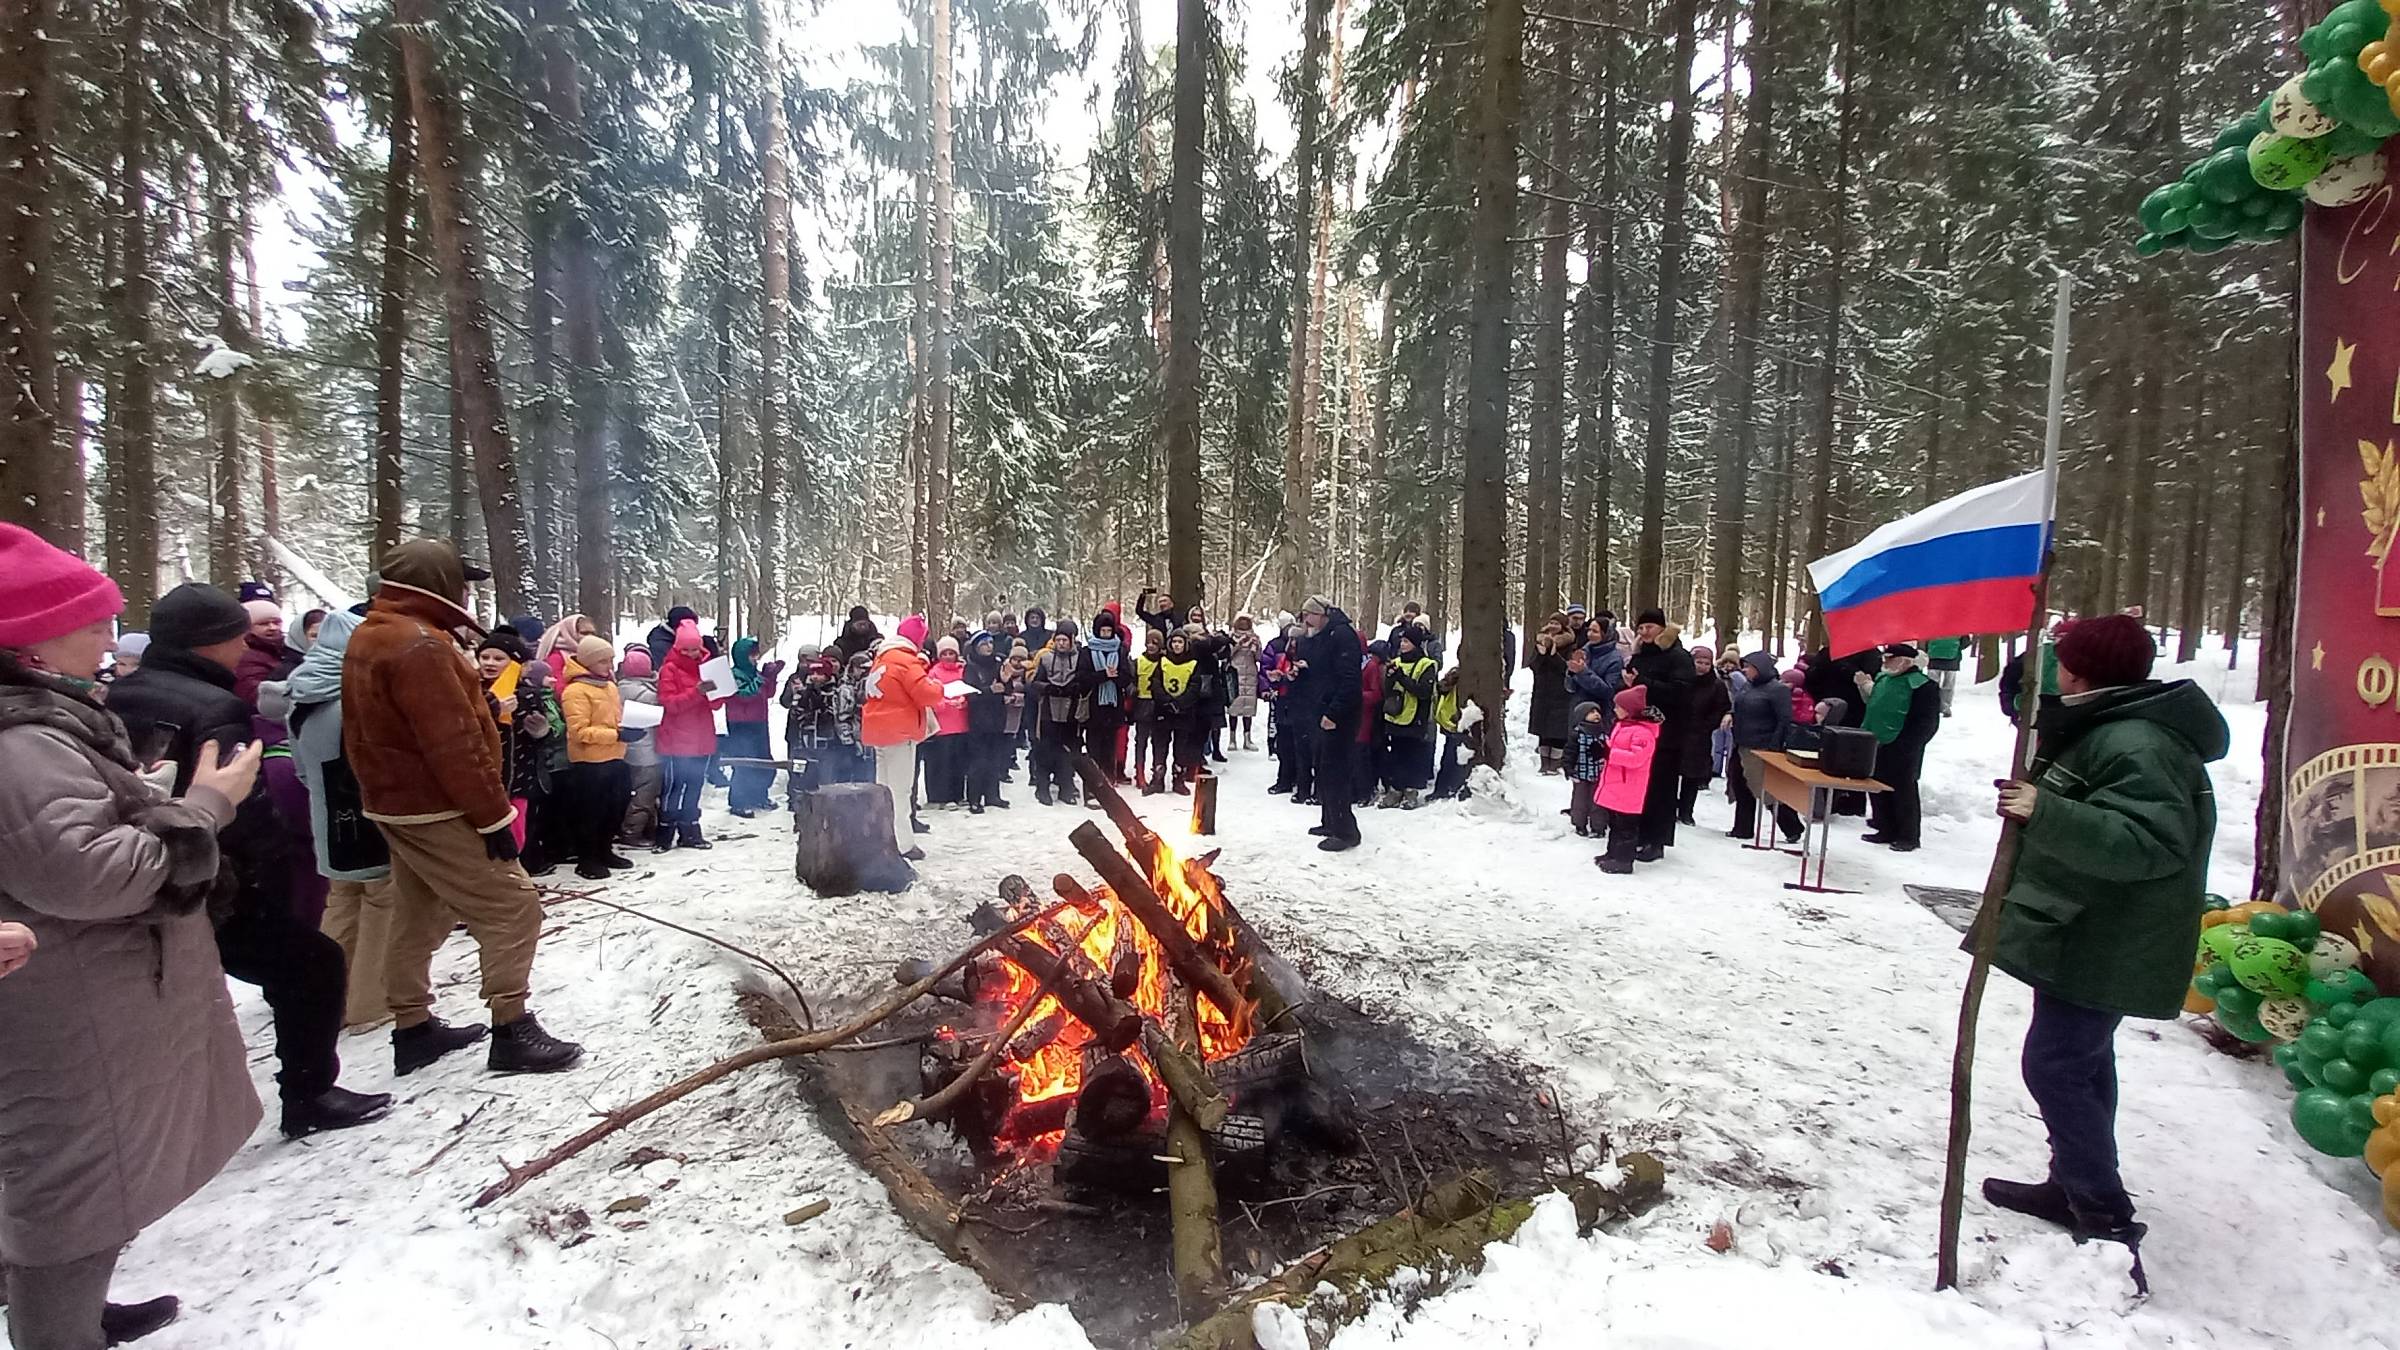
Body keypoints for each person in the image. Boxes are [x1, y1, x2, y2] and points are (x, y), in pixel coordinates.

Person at [0, 525, 264, 1350]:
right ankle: (58, 1330)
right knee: (72, 1192)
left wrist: (141, 795)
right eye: (90, 622)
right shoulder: (22, 741)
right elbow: (86, 872)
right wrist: (206, 807)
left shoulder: (55, 722)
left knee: (91, 1183)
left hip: (86, 992)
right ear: (31, 642)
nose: (110, 639)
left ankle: (76, 1313)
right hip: (70, 1006)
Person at [1983, 614, 2230, 1284]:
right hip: (2084, 926)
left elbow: (2150, 843)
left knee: (2055, 1066)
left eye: (2062, 661)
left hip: (2109, 936)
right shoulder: (2112, 724)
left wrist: (2046, 809)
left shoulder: (2138, 741)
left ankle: (2102, 1209)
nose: (2057, 671)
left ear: (2082, 670)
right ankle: (2071, 1184)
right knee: (2084, 1065)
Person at [109, 583, 393, 1139]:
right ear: (209, 641)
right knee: (311, 964)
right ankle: (309, 1093)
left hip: (146, 867)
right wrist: (269, 860)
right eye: (236, 635)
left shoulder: (122, 696)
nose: (243, 646)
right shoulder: (213, 707)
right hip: (214, 871)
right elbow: (239, 796)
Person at [344, 538, 584, 1075]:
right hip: (437, 804)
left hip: (394, 801)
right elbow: (453, 744)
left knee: (419, 909)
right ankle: (512, 1027)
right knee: (513, 906)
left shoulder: (376, 632)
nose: (467, 594)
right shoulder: (421, 645)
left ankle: (413, 1027)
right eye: (461, 582)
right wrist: (493, 817)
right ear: (435, 585)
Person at [287, 608, 398, 1030]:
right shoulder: (353, 695)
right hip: (361, 813)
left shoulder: (302, 693)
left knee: (341, 901)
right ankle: (370, 1002)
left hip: (323, 813)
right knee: (380, 902)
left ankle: (330, 998)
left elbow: (300, 765)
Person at [560, 637, 639, 881]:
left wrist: (632, 727)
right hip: (589, 763)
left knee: (615, 808)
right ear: (588, 662)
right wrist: (617, 734)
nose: (609, 665)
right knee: (590, 813)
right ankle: (587, 859)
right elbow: (579, 732)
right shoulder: (575, 691)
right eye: (603, 661)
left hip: (616, 756)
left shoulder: (609, 686)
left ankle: (605, 851)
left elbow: (614, 719)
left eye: (611, 660)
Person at [864, 615, 943, 858]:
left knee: (883, 789)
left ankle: (881, 838)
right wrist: (937, 684)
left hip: (877, 729)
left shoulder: (884, 656)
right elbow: (927, 694)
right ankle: (904, 844)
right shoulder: (906, 660)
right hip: (899, 731)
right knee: (900, 791)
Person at [1626, 610, 1698, 859]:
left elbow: (1682, 692)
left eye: (1649, 627)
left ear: (1661, 628)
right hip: (1639, 730)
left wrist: (1644, 683)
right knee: (1640, 786)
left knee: (1662, 789)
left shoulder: (1678, 656)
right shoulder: (1641, 655)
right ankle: (1637, 832)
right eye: (1641, 628)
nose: (1644, 632)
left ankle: (1656, 841)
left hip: (1668, 733)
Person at [1293, 597, 1363, 851]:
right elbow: (1324, 670)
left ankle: (1346, 831)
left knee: (1335, 772)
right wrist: (1302, 671)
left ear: (1320, 614)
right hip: (1322, 710)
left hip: (1340, 715)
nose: (1305, 622)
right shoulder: (1325, 634)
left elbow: (1349, 680)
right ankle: (1330, 820)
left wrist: (1334, 713)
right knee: (1322, 768)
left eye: (1308, 616)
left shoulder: (1343, 635)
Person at [1858, 643, 1942, 853]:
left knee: (1903, 791)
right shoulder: (1884, 679)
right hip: (1875, 741)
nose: (1885, 663)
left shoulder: (1923, 686)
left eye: (1890, 659)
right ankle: (1884, 827)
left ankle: (1908, 835)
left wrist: (1909, 744)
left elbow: (1927, 722)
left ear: (1904, 662)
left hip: (1904, 745)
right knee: (1877, 787)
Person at [654, 620, 724, 851]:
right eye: (686, 649)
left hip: (702, 737)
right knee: (674, 788)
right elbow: (670, 704)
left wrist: (721, 690)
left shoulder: (708, 667)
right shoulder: (669, 669)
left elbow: (716, 705)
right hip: (676, 740)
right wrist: (697, 693)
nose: (692, 654)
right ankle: (664, 834)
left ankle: (690, 831)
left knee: (695, 786)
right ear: (677, 648)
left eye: (695, 649)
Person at [1727, 651, 1804, 844]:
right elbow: (1738, 706)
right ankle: (1742, 827)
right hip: (1741, 741)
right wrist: (1730, 714)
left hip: (1761, 745)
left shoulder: (1777, 690)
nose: (1745, 670)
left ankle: (1791, 826)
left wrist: (1774, 746)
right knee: (1740, 785)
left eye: (1749, 667)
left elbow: (1784, 720)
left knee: (1764, 789)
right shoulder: (1747, 686)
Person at [1594, 684, 1662, 874]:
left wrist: (1609, 753)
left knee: (1626, 827)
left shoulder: (1643, 732)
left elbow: (1636, 758)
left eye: (1618, 706)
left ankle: (1624, 860)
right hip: (1617, 784)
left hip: (1629, 787)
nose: (1615, 709)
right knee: (1615, 823)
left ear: (1629, 709)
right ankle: (1612, 854)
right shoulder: (1623, 725)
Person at [1031, 621, 1093, 805]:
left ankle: (1066, 787)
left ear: (1072, 640)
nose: (1062, 644)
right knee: (1045, 750)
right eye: (1058, 640)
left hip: (1070, 712)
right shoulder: (1046, 658)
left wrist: (1077, 688)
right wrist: (1048, 687)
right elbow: (1034, 683)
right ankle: (1042, 789)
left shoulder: (1079, 658)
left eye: (1065, 640)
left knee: (1068, 751)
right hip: (1048, 711)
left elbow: (1086, 680)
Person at [724, 637, 787, 816]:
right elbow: (744, 695)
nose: (755, 659)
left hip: (759, 722)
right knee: (744, 763)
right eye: (752, 655)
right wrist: (762, 679)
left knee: (764, 760)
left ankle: (759, 795)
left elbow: (768, 693)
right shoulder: (733, 675)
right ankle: (738, 801)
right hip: (740, 725)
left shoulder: (754, 674)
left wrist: (771, 677)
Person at [1377, 629, 1438, 809]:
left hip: (1415, 717)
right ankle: (1395, 789)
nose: (1402, 645)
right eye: (1402, 641)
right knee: (1396, 754)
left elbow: (1423, 692)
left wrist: (1401, 677)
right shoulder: (1396, 662)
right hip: (1395, 715)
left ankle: (1410, 791)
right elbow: (1387, 691)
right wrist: (1389, 678)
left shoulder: (1426, 664)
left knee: (1413, 755)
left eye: (1407, 642)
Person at [616, 647, 665, 846]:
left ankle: (646, 828)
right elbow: (661, 712)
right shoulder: (646, 694)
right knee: (645, 794)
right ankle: (632, 833)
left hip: (628, 750)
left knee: (637, 792)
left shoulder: (619, 688)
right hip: (647, 752)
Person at [961, 633, 1014, 813]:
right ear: (976, 646)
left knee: (995, 759)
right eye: (984, 644)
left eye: (991, 643)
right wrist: (989, 690)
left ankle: (992, 795)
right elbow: (970, 693)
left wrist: (1006, 683)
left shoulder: (999, 664)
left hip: (997, 718)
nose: (989, 647)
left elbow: (1006, 689)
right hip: (978, 720)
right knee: (978, 761)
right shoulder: (971, 667)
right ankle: (974, 798)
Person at [1680, 646, 1732, 826]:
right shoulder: (1683, 679)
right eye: (1699, 662)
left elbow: (1721, 707)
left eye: (1706, 663)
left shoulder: (1716, 685)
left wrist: (1707, 725)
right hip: (1679, 731)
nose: (1702, 667)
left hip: (1699, 735)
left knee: (1691, 775)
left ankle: (1686, 811)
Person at [1154, 631, 1209, 794]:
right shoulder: (1162, 662)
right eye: (1174, 642)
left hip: (1184, 713)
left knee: (1181, 748)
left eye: (1180, 642)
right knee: (1160, 747)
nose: (1177, 645)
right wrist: (1167, 702)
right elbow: (1156, 684)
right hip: (1163, 712)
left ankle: (1179, 780)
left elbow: (1195, 687)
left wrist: (1180, 703)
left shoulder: (1193, 664)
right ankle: (1158, 779)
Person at [1085, 611, 1133, 782]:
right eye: (1102, 631)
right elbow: (1083, 678)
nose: (1105, 635)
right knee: (1094, 748)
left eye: (1108, 631)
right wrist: (1103, 675)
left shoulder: (1120, 651)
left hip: (1113, 708)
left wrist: (1116, 676)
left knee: (1109, 749)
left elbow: (1127, 678)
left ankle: (1109, 782)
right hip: (1093, 707)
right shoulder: (1088, 651)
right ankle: (1092, 785)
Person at [923, 636, 970, 808]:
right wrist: (944, 703)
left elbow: (970, 689)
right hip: (943, 725)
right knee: (943, 763)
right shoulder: (934, 672)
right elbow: (930, 694)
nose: (948, 657)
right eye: (945, 653)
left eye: (952, 653)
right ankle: (942, 796)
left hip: (961, 723)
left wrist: (964, 701)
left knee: (959, 762)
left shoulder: (963, 670)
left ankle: (958, 794)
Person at [233, 598, 305, 707]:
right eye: (263, 624)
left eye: (276, 622)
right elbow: (255, 696)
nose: (273, 628)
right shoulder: (245, 657)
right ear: (247, 628)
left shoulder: (288, 649)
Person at [1527, 620, 1573, 775]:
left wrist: (1554, 655)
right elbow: (1534, 667)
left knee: (1558, 731)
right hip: (1542, 693)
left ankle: (1554, 764)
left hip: (1562, 693)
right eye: (1551, 622)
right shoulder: (1540, 641)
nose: (1553, 626)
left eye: (1557, 623)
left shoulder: (1570, 644)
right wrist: (1540, 654)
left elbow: (1567, 669)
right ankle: (1544, 763)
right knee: (1543, 730)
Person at [1565, 701, 1608, 837]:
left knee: (1598, 802)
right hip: (1580, 774)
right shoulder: (1576, 734)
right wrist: (1568, 768)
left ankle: (1598, 827)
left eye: (1597, 712)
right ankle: (1579, 824)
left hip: (1600, 774)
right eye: (1591, 712)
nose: (1596, 714)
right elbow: (1569, 753)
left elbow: (1609, 751)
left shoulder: (1603, 733)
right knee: (1580, 801)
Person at [1132, 627, 1168, 791]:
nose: (1151, 646)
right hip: (1142, 703)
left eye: (1155, 643)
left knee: (1159, 742)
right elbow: (1131, 680)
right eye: (1149, 642)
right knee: (1141, 741)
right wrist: (1132, 690)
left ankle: (1157, 774)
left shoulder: (1165, 662)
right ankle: (1139, 773)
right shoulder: (1138, 661)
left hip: (1159, 706)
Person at [1432, 667, 1470, 800]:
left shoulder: (1459, 673)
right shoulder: (1459, 674)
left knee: (1452, 756)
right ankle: (1447, 788)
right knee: (1451, 757)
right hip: (1455, 722)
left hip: (1456, 722)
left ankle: (1445, 788)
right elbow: (1442, 688)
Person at [1227, 615, 1264, 750]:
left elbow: (1260, 658)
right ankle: (1232, 739)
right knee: (1234, 707)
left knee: (1248, 707)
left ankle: (1247, 739)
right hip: (1235, 673)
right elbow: (1227, 654)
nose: (1243, 624)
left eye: (1246, 622)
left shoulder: (1255, 637)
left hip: (1250, 675)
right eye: (1241, 622)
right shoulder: (1231, 636)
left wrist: (1256, 647)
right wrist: (1238, 644)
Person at [1926, 635, 1966, 716]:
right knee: (1949, 685)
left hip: (1934, 657)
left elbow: (1924, 640)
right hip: (1952, 658)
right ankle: (1945, 707)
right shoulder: (1958, 626)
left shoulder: (1931, 624)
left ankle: (1932, 706)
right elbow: (1966, 642)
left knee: (1932, 684)